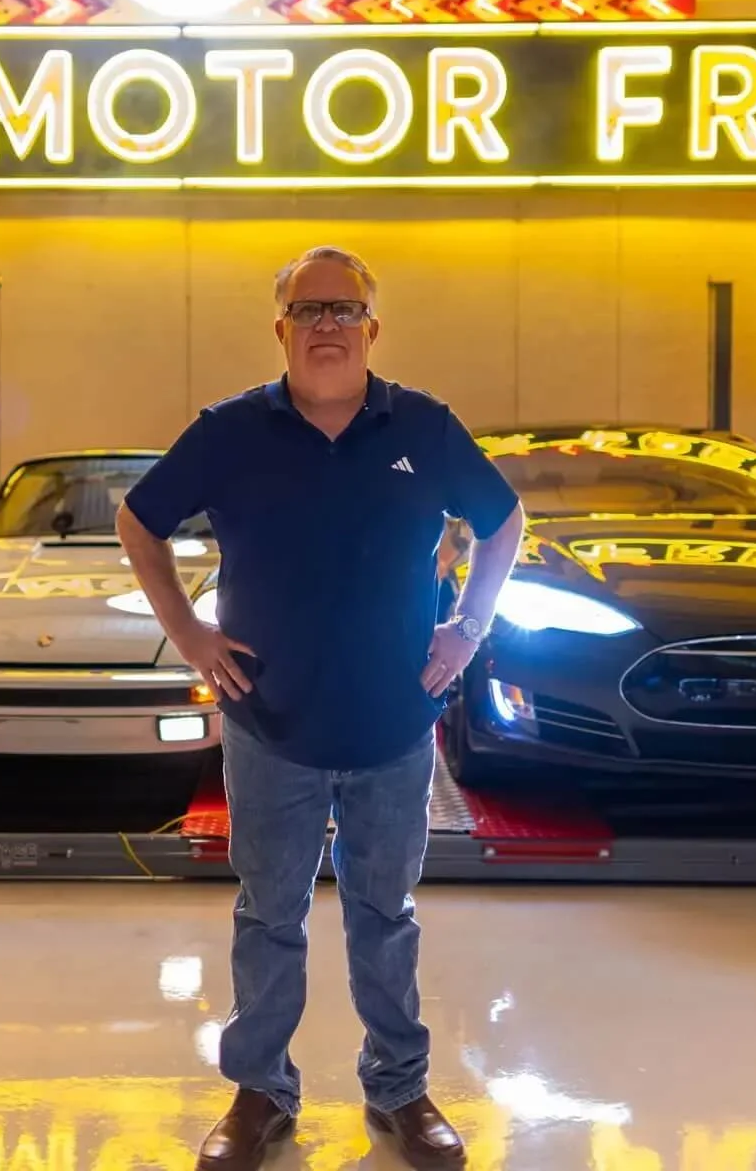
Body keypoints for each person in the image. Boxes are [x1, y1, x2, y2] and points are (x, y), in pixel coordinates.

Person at [115, 246, 526, 1171]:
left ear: (372, 329)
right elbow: (139, 520)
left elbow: (503, 521)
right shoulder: (231, 432)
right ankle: (260, 1092)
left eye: (346, 310)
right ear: (282, 329)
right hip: (273, 726)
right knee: (269, 917)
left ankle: (400, 1091)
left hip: (391, 725)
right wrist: (188, 631)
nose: (328, 325)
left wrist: (466, 629)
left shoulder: (424, 425)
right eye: (310, 311)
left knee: (386, 914)